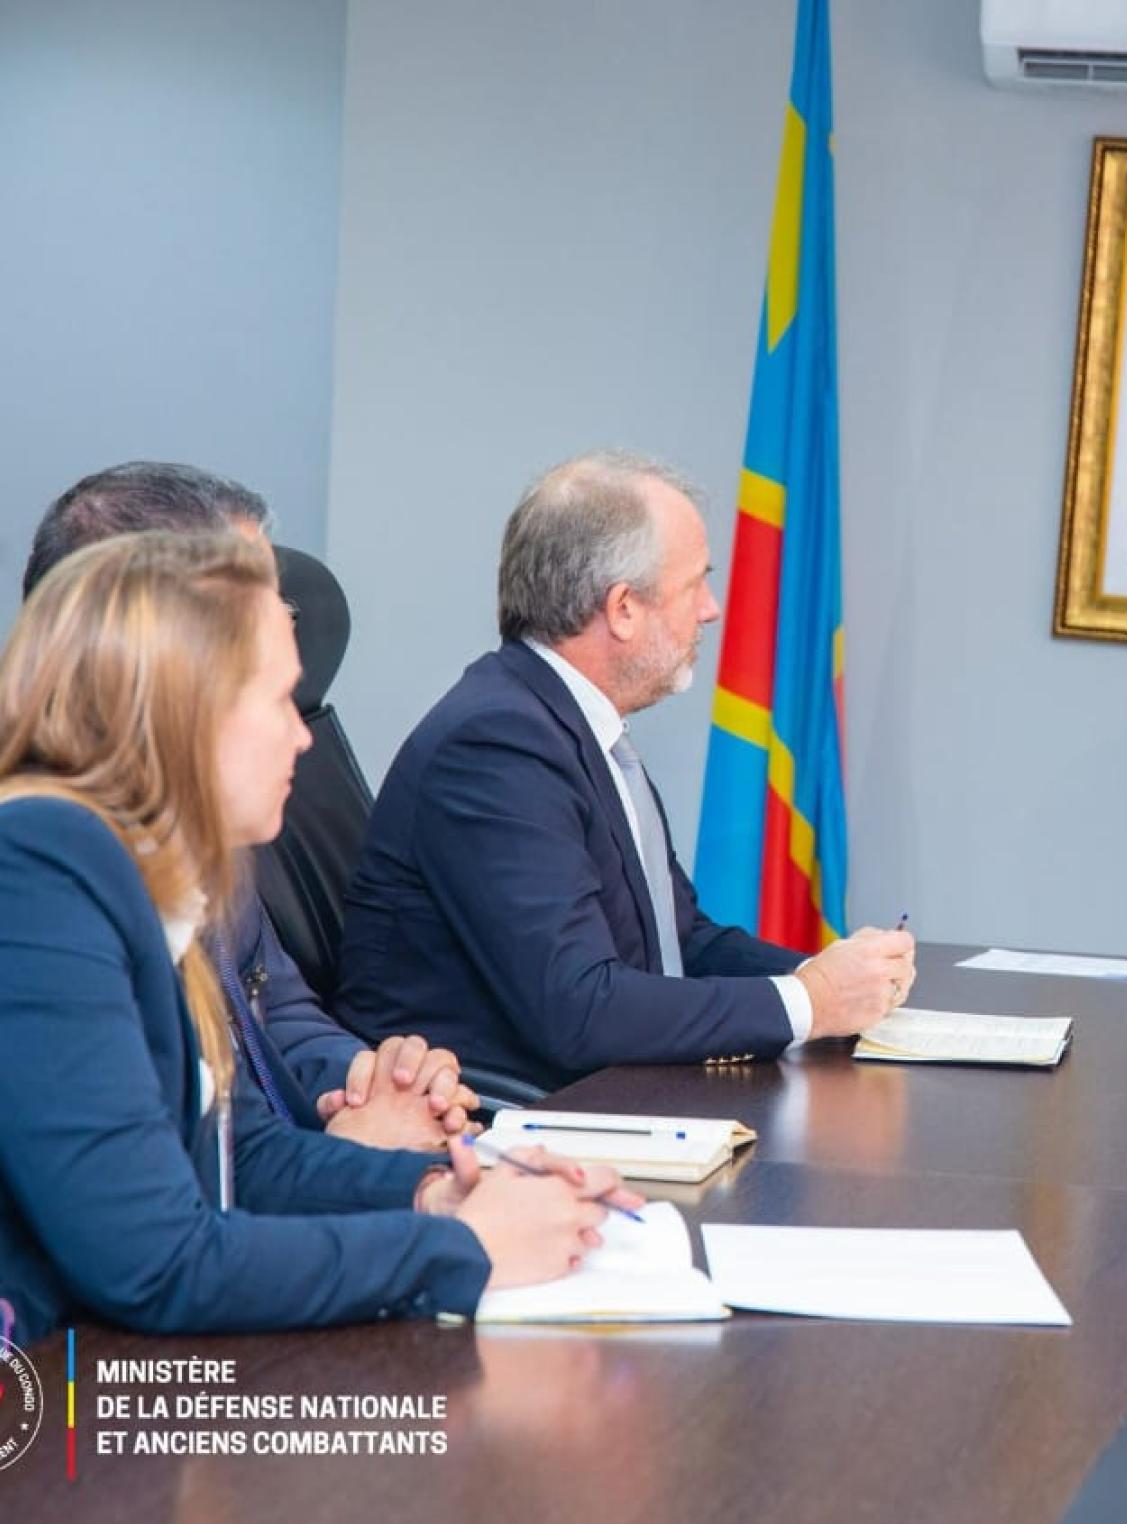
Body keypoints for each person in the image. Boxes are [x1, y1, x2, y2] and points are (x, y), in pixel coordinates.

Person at [0, 531, 638, 1347]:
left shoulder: (149, 872)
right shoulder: (44, 867)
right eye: (279, 702)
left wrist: (443, 1190)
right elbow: (156, 1264)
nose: (303, 736)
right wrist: (465, 1249)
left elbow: (244, 1160)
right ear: (187, 712)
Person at [337, 451, 915, 1090]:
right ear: (622, 609)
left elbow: (678, 942)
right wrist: (810, 1002)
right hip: (502, 1113)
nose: (711, 609)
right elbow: (579, 1009)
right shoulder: (498, 745)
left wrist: (832, 978)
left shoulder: (572, 726)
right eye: (695, 584)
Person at [24, 462, 477, 1150]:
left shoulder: (198, 825)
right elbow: (182, 1185)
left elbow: (275, 1008)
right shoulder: (51, 883)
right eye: (256, 598)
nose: (284, 624)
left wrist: (369, 1080)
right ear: (160, 642)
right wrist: (360, 1153)